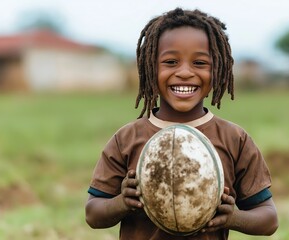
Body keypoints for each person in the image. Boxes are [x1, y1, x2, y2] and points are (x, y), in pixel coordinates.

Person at [85, 7, 278, 240]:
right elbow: (93, 214)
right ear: (150, 67)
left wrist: (233, 217)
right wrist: (122, 202)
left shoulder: (234, 139)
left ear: (217, 68)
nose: (185, 72)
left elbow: (269, 219)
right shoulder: (126, 139)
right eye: (171, 62)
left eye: (199, 63)